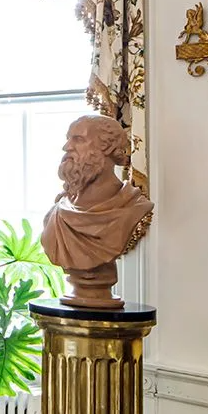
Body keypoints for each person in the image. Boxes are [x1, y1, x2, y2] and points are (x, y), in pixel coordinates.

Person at [41, 114, 153, 309]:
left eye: (78, 139)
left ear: (107, 147)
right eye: (68, 139)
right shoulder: (57, 215)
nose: (67, 147)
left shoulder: (132, 208)